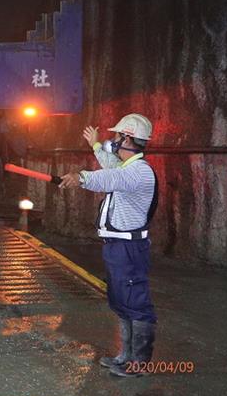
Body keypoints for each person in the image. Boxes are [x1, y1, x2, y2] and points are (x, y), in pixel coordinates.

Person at [58, 113, 158, 378]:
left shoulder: (140, 172)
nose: (112, 141)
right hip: (117, 246)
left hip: (129, 249)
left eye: (116, 137)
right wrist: (95, 145)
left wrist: (81, 177)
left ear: (127, 138)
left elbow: (110, 179)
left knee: (135, 301)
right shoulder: (128, 167)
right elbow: (112, 167)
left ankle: (139, 364)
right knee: (120, 300)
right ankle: (125, 357)